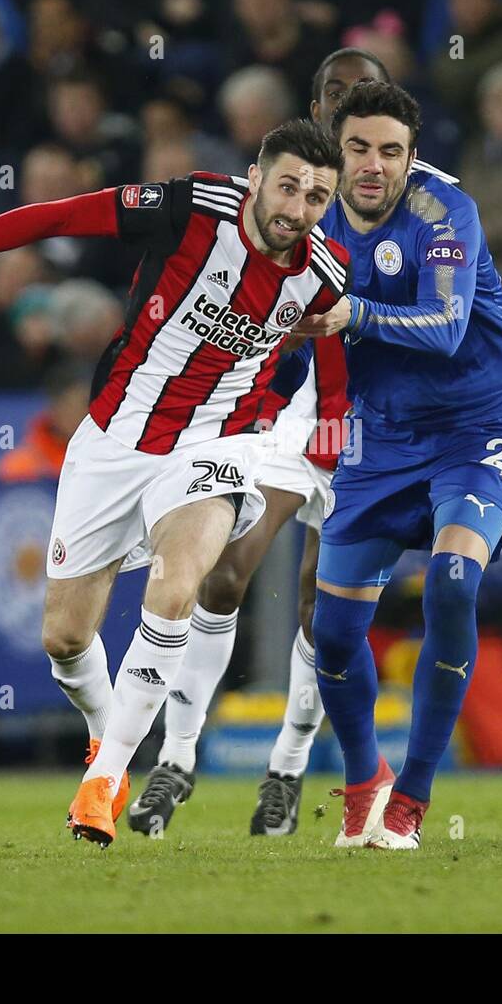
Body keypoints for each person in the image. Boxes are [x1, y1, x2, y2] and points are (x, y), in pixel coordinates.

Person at [0, 119, 350, 848]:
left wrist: (327, 417)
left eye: (316, 196)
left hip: (220, 443)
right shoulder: (189, 208)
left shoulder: (326, 270)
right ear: (255, 178)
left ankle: (107, 779)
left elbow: (322, 341)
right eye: (288, 185)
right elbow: (58, 215)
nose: (299, 206)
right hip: (115, 441)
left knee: (177, 585)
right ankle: (102, 735)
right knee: (64, 637)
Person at [128, 48, 388, 839]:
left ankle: (286, 766)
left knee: (325, 598)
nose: (348, 109)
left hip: (393, 413)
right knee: (226, 573)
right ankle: (176, 756)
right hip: (304, 406)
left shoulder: (411, 193)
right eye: (335, 94)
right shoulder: (295, 184)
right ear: (317, 104)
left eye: (363, 96)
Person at [297, 80, 502, 849]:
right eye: (360, 148)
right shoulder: (306, 221)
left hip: (483, 422)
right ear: (336, 150)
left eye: (392, 151)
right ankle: (364, 779)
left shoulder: (444, 212)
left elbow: (443, 326)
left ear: (412, 154)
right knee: (332, 633)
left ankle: (411, 798)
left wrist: (351, 313)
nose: (375, 165)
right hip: (381, 440)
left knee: (452, 578)